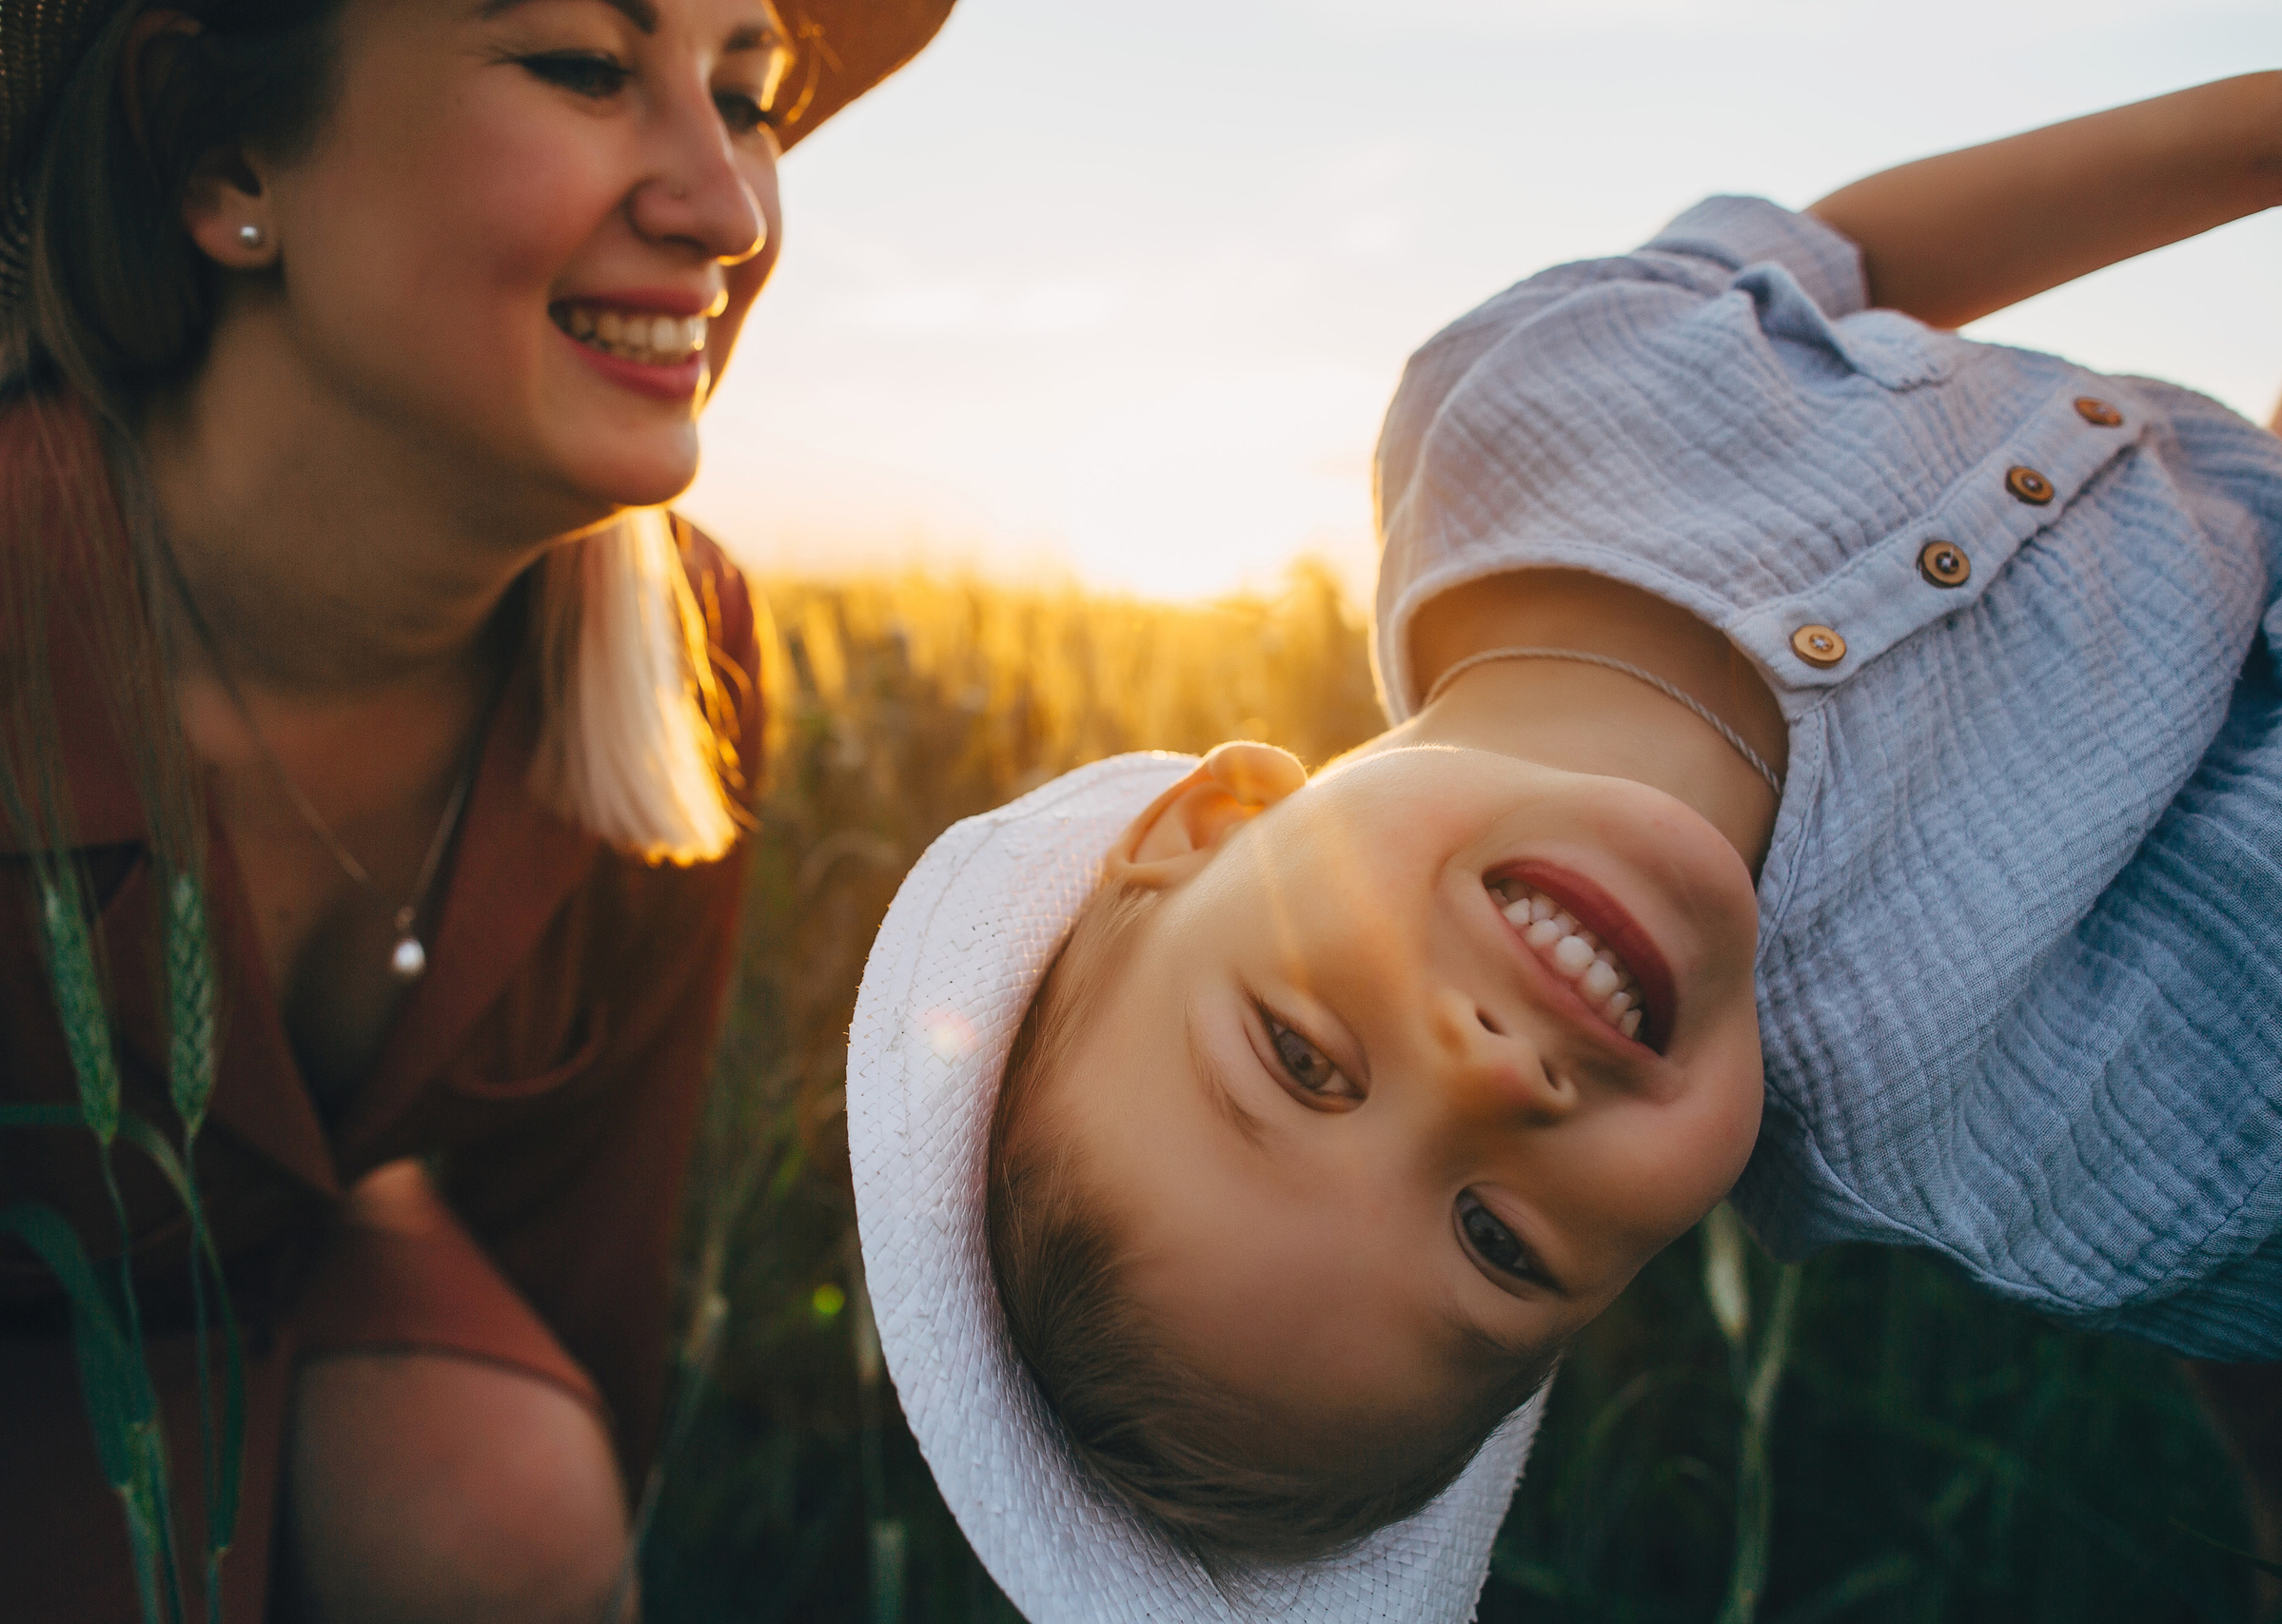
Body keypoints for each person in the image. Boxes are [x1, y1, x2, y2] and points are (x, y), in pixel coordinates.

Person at [847, 71, 2282, 1617]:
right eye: (1495, 1243)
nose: (1487, 1078)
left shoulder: (1507, 399)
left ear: (1214, 821)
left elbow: (1832, 259)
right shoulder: (2048, 1138)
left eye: (1306, 1060)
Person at [0, 0, 952, 1618]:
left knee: (503, 1505)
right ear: (226, 158)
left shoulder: (681, 653)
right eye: (586, 67)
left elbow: (580, 1326)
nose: (728, 213)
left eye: (750, 98)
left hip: (331, 1372)